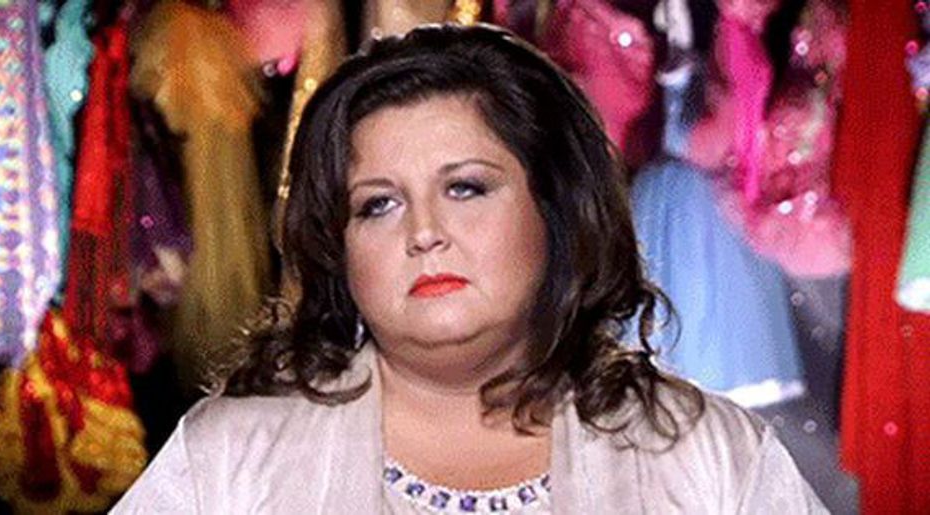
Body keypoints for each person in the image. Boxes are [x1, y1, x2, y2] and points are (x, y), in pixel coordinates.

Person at [111, 23, 826, 513]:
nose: (424, 233)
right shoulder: (235, 458)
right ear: (338, 245)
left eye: (465, 188)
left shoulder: (705, 453)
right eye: (379, 205)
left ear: (555, 206)